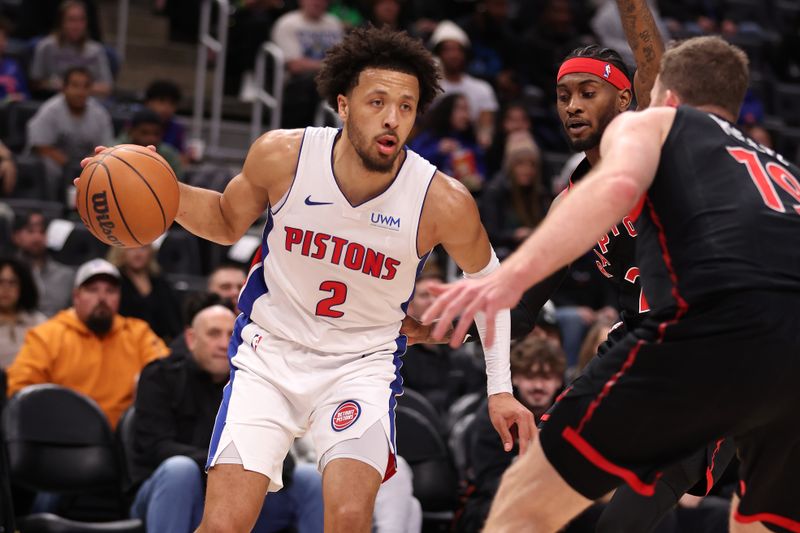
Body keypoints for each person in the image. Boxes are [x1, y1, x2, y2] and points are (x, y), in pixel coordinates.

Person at [80, 26, 533, 533]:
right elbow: (228, 220)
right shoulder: (284, 156)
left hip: (360, 365)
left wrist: (499, 389)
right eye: (377, 101)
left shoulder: (441, 200)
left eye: (406, 107)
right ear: (343, 104)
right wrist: (156, 187)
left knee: (346, 519)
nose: (391, 118)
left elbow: (494, 284)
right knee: (224, 523)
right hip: (270, 355)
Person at [425, 35, 800, 533]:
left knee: (529, 503)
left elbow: (619, 185)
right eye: (563, 96)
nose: (573, 107)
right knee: (754, 524)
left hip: (693, 340)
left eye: (588, 92)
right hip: (779, 358)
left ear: (642, 98)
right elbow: (520, 313)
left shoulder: (659, 128)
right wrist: (428, 329)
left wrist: (504, 277)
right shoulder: (781, 171)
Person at [130, 301, 324, 533]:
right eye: (213, 334)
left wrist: (241, 469)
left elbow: (283, 458)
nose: (224, 344)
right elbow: (155, 449)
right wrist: (228, 466)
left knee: (308, 479)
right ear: (191, 339)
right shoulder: (159, 376)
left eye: (230, 334)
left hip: (236, 493)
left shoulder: (254, 382)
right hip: (168, 494)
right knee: (179, 470)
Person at [6, 258, 169, 428]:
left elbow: (167, 376)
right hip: (64, 436)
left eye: (110, 291)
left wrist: (147, 385)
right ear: (76, 296)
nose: (102, 298)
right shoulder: (47, 336)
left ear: (119, 297)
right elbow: (21, 392)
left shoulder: (138, 334)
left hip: (126, 438)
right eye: (92, 290)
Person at [458, 336, 566, 532]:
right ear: (515, 377)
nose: (538, 387)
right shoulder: (494, 414)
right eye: (530, 377)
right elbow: (488, 479)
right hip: (497, 498)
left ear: (559, 381)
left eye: (547, 377)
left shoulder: (568, 413)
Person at [401, 268, 484, 414]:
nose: (433, 301)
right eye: (424, 295)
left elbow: (479, 392)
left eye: (438, 295)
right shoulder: (400, 354)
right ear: (410, 306)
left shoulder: (461, 353)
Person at [26, 66, 113, 201]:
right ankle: (50, 206)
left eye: (86, 86)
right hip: (58, 163)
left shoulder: (100, 114)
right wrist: (71, 166)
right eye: (75, 86)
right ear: (64, 88)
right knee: (50, 167)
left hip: (86, 166)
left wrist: (85, 167)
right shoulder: (50, 110)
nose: (80, 92)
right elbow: (41, 146)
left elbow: (104, 149)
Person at [271, 0, 344, 128]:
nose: (317, 3)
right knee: (310, 82)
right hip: (296, 82)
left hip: (330, 78)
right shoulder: (288, 23)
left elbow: (342, 59)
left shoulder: (333, 23)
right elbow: (295, 65)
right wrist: (328, 66)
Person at [429, 20, 498, 148]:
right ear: (438, 53)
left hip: (470, 149)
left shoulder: (482, 89)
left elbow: (485, 131)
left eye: (457, 49)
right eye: (447, 49)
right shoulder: (429, 88)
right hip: (434, 150)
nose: (453, 55)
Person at [479, 130, 549, 257]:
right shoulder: (495, 190)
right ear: (511, 166)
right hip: (503, 252)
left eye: (532, 165)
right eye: (520, 164)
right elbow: (490, 232)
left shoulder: (539, 191)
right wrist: (514, 235)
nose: (527, 170)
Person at [28, 0, 113, 97]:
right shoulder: (46, 47)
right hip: (54, 100)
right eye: (71, 20)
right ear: (61, 22)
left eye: (81, 20)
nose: (77, 25)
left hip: (89, 103)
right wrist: (55, 85)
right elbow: (35, 83)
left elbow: (107, 87)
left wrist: (78, 88)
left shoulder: (96, 50)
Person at [408, 93, 487, 192]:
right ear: (447, 110)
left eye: (468, 110)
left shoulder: (468, 138)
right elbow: (412, 159)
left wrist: (479, 176)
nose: (466, 115)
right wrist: (438, 149)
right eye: (461, 109)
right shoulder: (430, 135)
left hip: (463, 192)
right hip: (430, 190)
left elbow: (480, 165)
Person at [107, 244, 183, 343]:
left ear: (151, 252)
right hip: (125, 344)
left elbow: (174, 321)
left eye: (143, 248)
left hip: (159, 346)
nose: (137, 253)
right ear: (120, 251)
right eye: (131, 248)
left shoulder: (159, 281)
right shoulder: (114, 282)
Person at [11, 210, 75, 316]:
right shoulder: (6, 274)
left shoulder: (67, 275)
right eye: (30, 231)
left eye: (42, 232)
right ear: (16, 237)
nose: (37, 237)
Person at [0, 257, 45, 368]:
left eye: (12, 282)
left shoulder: (39, 322)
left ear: (23, 286)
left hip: (33, 382)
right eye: (0, 282)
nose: (6, 288)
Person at [115, 107, 184, 179]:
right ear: (131, 131)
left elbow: (178, 183)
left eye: (156, 133)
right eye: (144, 133)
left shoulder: (170, 156)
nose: (151, 139)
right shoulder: (116, 152)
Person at [143, 80, 187, 157]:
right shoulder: (136, 124)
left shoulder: (177, 129)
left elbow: (181, 157)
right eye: (161, 101)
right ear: (148, 102)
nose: (166, 107)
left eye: (172, 103)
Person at [0, 18, 29, 102]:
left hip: (13, 111)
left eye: (1, 38)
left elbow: (26, 95)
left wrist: (20, 97)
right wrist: (5, 100)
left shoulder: (14, 66)